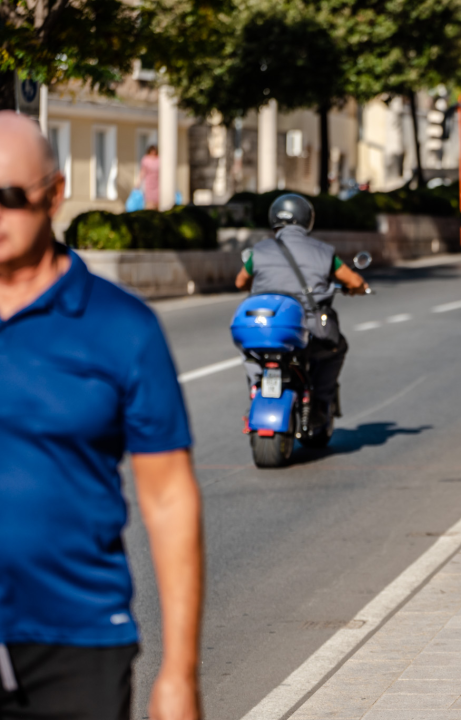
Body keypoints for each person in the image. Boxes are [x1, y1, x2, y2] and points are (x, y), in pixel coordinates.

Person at [0, 111, 203, 719]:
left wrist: (179, 674)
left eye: (7, 198)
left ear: (53, 195)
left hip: (76, 639)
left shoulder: (122, 328)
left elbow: (169, 501)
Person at [234, 194, 368, 428]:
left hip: (262, 326)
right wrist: (359, 289)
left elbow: (240, 282)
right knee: (335, 348)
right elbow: (354, 282)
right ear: (307, 220)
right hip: (305, 328)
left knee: (253, 355)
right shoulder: (323, 252)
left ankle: (256, 392)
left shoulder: (260, 250)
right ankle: (320, 404)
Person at [139, 145, 160, 210]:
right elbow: (143, 171)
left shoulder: (159, 159)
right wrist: (138, 183)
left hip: (158, 183)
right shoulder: (146, 160)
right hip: (149, 183)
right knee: (149, 203)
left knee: (158, 202)